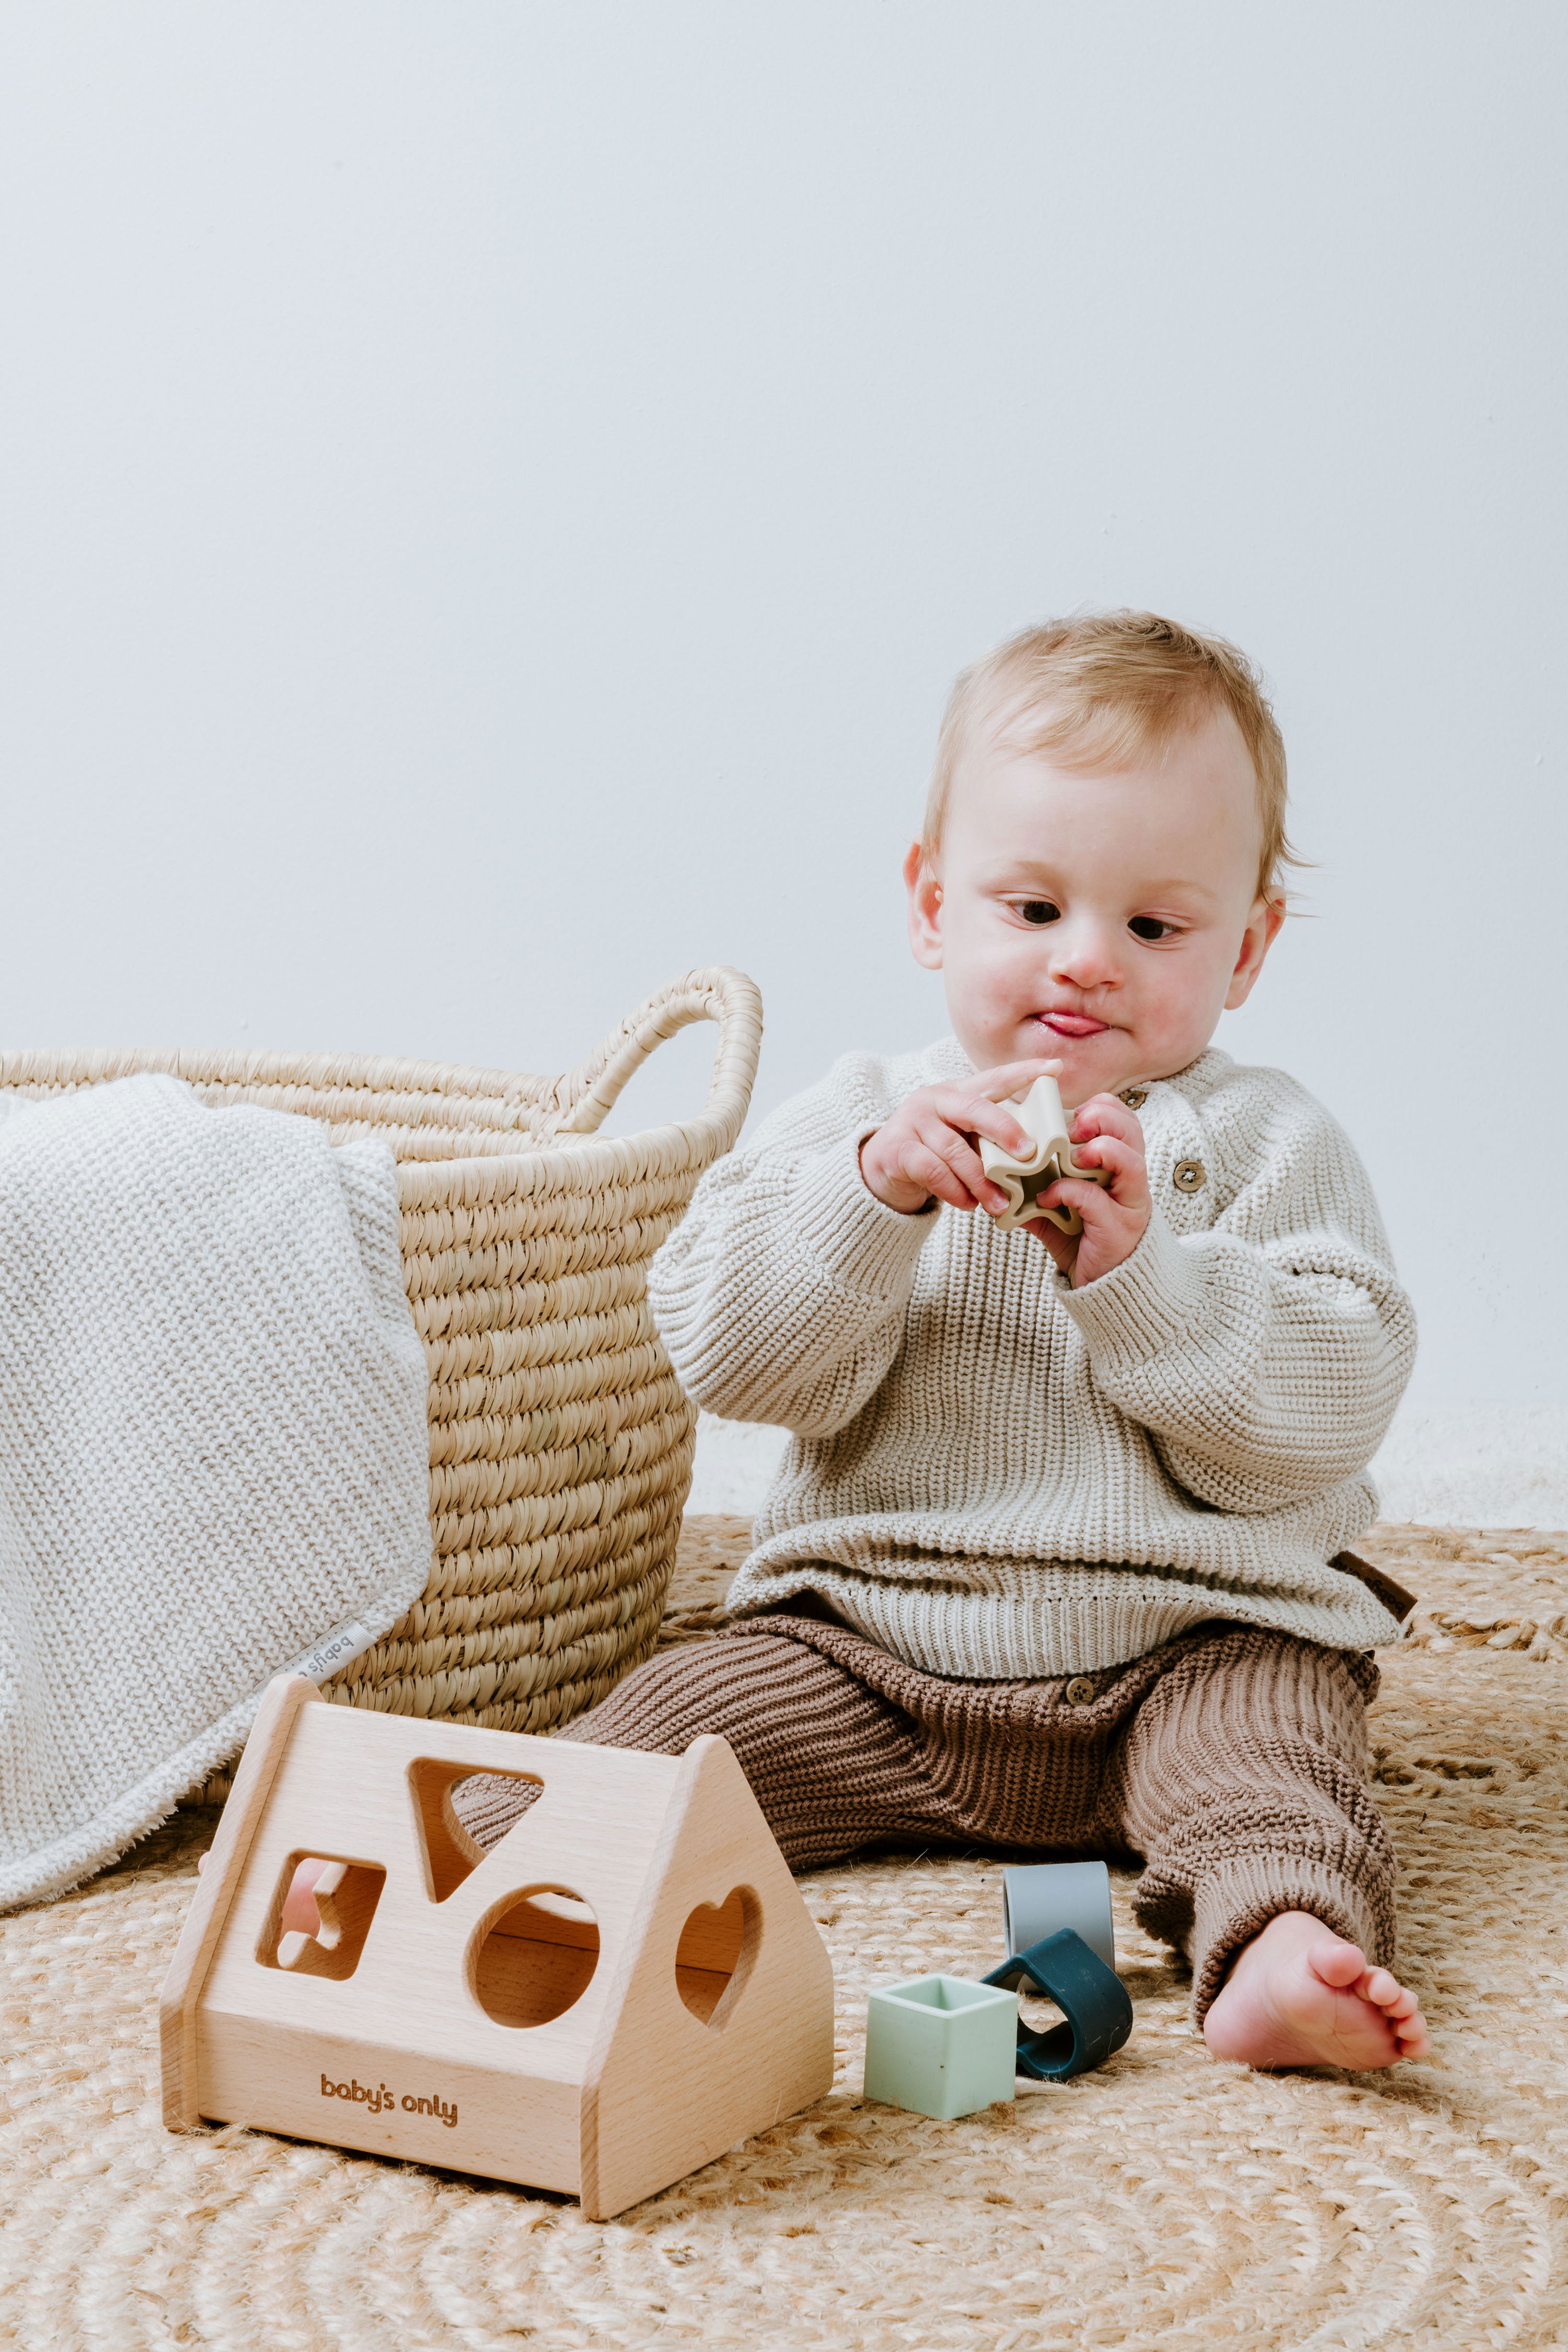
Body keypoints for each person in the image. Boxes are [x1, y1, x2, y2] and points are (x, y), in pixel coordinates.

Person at [469, 610, 1429, 2068]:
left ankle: (1279, 1948)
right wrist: (871, 1197)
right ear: (933, 906)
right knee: (667, 1731)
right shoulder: (867, 1115)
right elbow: (726, 1349)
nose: (1088, 963)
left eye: (1156, 926)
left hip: (1183, 1643)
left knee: (1274, 1763)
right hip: (868, 1645)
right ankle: (487, 1871)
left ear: (1249, 946)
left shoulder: (1263, 1139)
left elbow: (1329, 1402)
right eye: (1033, 910)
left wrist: (1147, 1281)